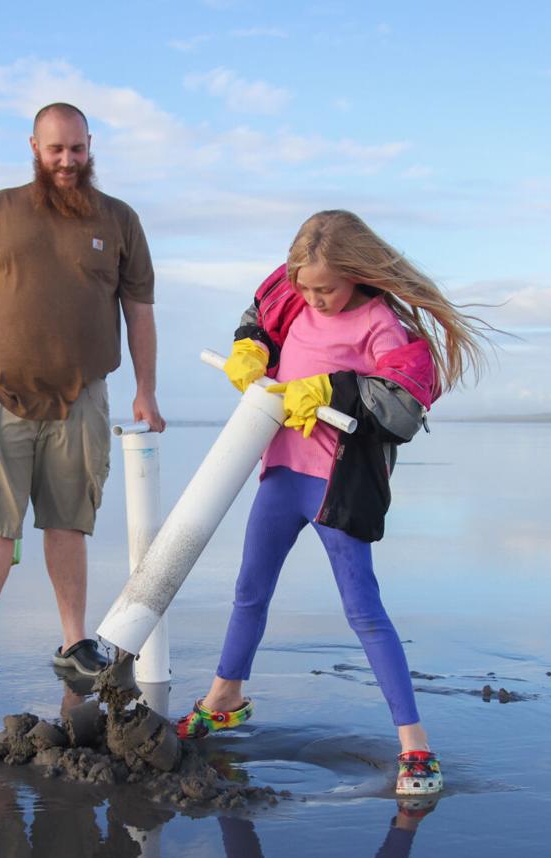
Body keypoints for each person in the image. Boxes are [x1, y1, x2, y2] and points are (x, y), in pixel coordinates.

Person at [176, 210, 493, 798]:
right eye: (305, 286)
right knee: (249, 590)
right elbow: (260, 327)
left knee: (363, 610)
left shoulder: (378, 323)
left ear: (356, 274)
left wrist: (331, 388)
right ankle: (226, 698)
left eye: (327, 288)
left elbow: (401, 410)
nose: (314, 299)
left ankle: (416, 745)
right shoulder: (292, 301)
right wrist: (249, 350)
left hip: (335, 484)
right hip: (279, 472)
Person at [0, 102, 165, 689]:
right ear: (33, 146)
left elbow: (138, 310)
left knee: (68, 521)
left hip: (82, 394)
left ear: (92, 146)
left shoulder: (119, 219)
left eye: (77, 149)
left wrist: (146, 390)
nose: (67, 161)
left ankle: (74, 640)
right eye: (55, 149)